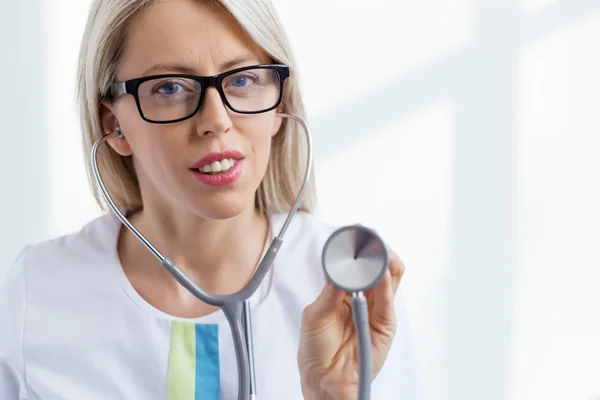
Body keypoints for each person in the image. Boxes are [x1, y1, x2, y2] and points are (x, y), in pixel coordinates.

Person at [0, 0, 420, 399]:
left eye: (242, 80)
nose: (216, 121)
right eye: (169, 88)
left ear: (280, 103)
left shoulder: (355, 294)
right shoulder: (38, 291)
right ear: (115, 125)